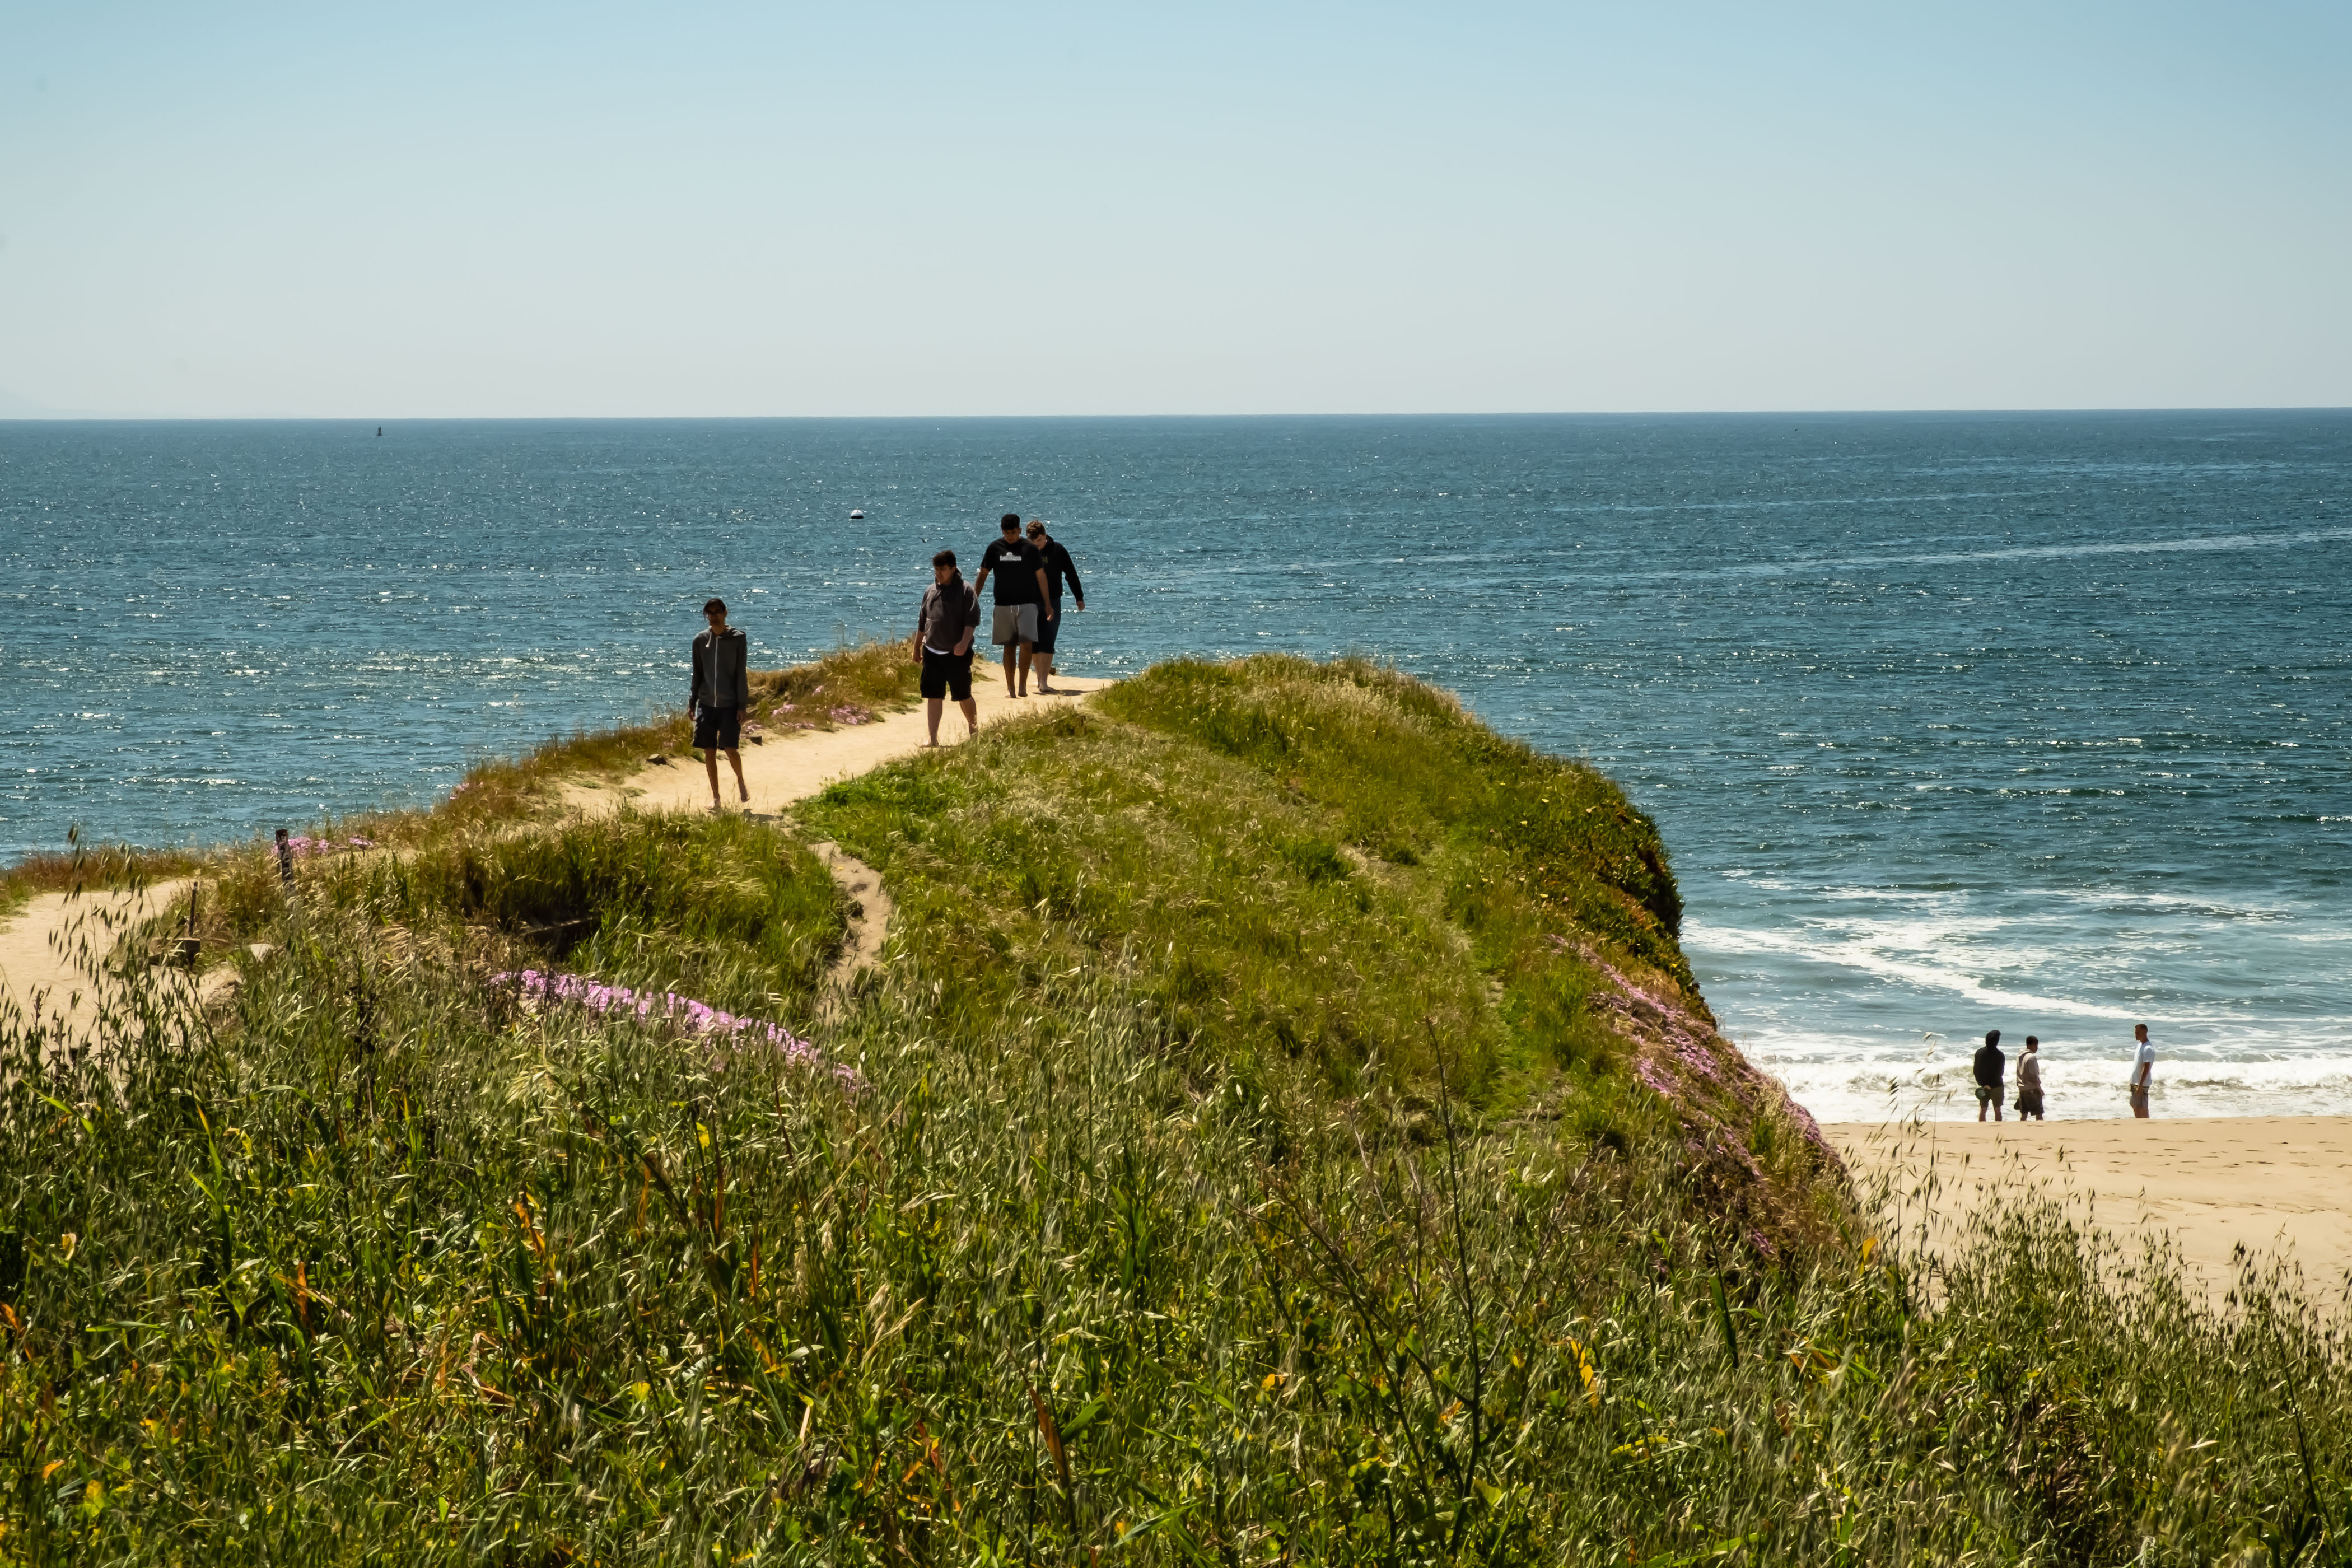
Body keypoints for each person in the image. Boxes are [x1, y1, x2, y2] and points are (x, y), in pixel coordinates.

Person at [972, 513, 1051, 698]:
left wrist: (1048, 604)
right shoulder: (994, 548)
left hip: (1028, 604)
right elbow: (983, 575)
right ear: (1002, 531)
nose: (1010, 536)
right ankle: (1010, 688)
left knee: (1026, 645)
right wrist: (974, 600)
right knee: (1009, 646)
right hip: (1003, 604)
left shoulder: (1030, 549)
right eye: (1006, 533)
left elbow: (1041, 577)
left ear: (1020, 530)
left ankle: (1022, 686)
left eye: (1013, 532)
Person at [690, 597, 750, 811]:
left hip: (729, 704)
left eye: (717, 611)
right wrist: (692, 702)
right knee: (709, 751)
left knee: (731, 748)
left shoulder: (738, 639)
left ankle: (741, 781)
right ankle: (716, 798)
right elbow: (697, 673)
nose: (714, 616)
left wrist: (742, 705)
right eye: (710, 613)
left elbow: (741, 674)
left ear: (726, 613)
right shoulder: (700, 641)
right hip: (706, 704)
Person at [914, 549, 980, 745]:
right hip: (932, 651)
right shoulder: (931, 590)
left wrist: (964, 643)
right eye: (936, 570)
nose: (938, 573)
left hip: (956, 653)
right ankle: (933, 739)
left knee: (963, 695)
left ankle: (974, 731)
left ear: (953, 568)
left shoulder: (966, 590)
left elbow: (972, 621)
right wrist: (916, 647)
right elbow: (922, 622)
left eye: (943, 569)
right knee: (934, 696)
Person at [1024, 517, 1085, 694]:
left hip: (1053, 601)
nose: (1039, 546)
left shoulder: (1057, 550)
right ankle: (1040, 679)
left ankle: (1043, 681)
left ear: (1045, 536)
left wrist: (1079, 597)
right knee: (1034, 642)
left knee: (1048, 640)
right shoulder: (1024, 552)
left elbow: (1071, 574)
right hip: (1030, 601)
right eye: (1034, 543)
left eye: (1040, 541)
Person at [1972, 1029, 2006, 1122]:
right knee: (1998, 1109)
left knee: (1983, 1109)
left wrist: (1983, 1084)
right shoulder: (2000, 1055)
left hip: (1983, 1086)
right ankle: (1998, 1129)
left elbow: (1976, 1070)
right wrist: (1991, 1085)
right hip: (1997, 1086)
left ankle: (1981, 1129)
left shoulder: (1979, 1053)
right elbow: (2000, 1072)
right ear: (1997, 1041)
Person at [2015, 1035, 2045, 1121]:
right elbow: (2033, 1076)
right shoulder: (2031, 1058)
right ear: (2033, 1045)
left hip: (2022, 1089)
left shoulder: (2020, 1056)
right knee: (2039, 1113)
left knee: (2024, 1114)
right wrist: (2040, 1089)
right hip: (2032, 1089)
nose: (2037, 1048)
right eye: (2036, 1045)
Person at [2129, 1024, 2155, 1118]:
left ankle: (2145, 1125)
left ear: (2144, 1033)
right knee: (2135, 1104)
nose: (2135, 1035)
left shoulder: (2148, 1049)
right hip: (2136, 1082)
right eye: (2135, 1033)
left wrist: (2140, 1085)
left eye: (2137, 1033)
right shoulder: (2140, 1045)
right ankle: (2139, 1124)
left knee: (2142, 1107)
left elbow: (2146, 1068)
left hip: (2142, 1084)